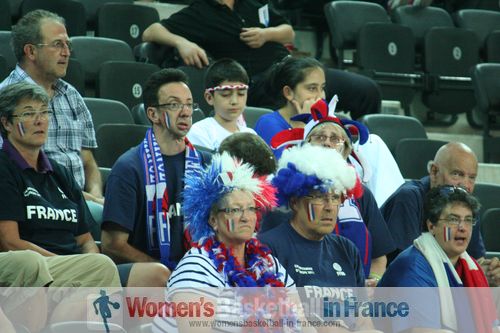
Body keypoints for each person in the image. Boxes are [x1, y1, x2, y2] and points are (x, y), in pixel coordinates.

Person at [142, 0, 381, 119]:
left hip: (294, 67)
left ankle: (359, 149)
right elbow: (150, 30)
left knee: (367, 90)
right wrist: (182, 42)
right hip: (259, 82)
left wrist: (267, 34)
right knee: (303, 92)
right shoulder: (198, 13)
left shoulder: (254, 4)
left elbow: (288, 31)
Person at [152, 151, 296, 333]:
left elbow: (299, 319)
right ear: (213, 220)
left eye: (251, 209)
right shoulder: (196, 267)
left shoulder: (269, 264)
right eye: (235, 210)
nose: (246, 217)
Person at [0, 82, 120, 287]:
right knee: (35, 263)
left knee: (100, 264)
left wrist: (84, 264)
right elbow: (10, 242)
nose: (40, 121)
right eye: (28, 114)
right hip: (33, 266)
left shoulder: (60, 172)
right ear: (7, 123)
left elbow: (86, 240)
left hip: (69, 267)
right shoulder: (4, 168)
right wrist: (70, 266)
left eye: (44, 112)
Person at [101, 68, 211, 287]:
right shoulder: (129, 168)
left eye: (189, 104)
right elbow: (112, 244)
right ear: (152, 114)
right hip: (155, 280)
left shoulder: (206, 163)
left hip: (203, 274)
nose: (186, 112)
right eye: (174, 104)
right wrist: (169, 274)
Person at [259, 144, 383, 332]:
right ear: (294, 202)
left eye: (335, 198)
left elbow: (363, 321)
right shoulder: (268, 248)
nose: (329, 207)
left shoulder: (347, 249)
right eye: (319, 197)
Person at [254, 56, 403, 206]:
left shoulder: (326, 119)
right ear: (288, 93)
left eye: (322, 88)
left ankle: (391, 208)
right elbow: (290, 173)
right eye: (312, 88)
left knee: (373, 143)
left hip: (333, 190)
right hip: (302, 200)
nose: (320, 96)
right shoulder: (268, 122)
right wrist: (305, 125)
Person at [0, 9, 103, 206]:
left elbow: (88, 160)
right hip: (35, 201)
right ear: (30, 51)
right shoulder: (5, 99)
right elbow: (8, 170)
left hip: (83, 203)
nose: (67, 52)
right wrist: (86, 201)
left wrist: (96, 195)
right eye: (58, 44)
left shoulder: (72, 96)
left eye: (68, 45)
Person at [378, 185, 499, 333]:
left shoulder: (470, 267)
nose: (462, 227)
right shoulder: (413, 267)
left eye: (468, 220)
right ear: (431, 226)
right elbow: (421, 331)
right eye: (453, 219)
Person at [381, 142, 487, 262]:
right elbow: (406, 264)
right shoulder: (408, 199)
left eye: (472, 178)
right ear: (434, 172)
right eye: (457, 174)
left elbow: (475, 260)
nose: (465, 185)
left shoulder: (466, 206)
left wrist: (487, 271)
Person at [187, 58, 257, 150]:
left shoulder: (251, 135)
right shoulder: (200, 132)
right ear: (209, 97)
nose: (234, 101)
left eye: (241, 94)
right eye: (226, 94)